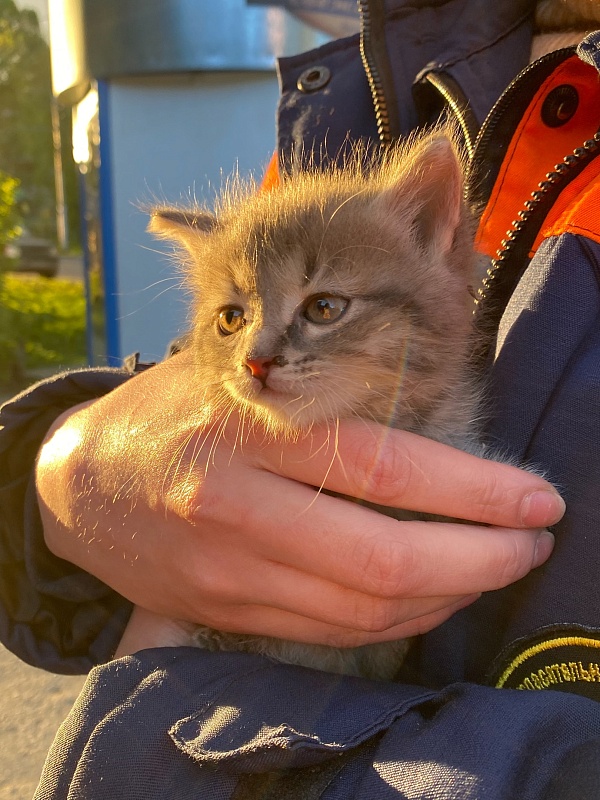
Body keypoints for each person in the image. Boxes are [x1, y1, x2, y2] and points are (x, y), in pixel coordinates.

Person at [2, 0, 600, 797]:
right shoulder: (357, 87)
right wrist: (60, 466)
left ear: (433, 231)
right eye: (233, 318)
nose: (258, 357)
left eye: (321, 307)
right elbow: (165, 428)